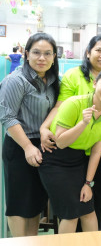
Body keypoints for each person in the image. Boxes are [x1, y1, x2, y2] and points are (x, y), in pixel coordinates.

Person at [39, 35, 101, 230]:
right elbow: (60, 106)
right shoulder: (74, 77)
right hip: (69, 150)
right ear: (88, 52)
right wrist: (44, 128)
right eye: (98, 50)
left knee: (93, 206)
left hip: (95, 152)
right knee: (72, 211)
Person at [0, 33, 60, 237]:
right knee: (19, 201)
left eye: (47, 53)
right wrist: (27, 147)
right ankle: (18, 242)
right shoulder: (16, 80)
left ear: (54, 57)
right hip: (20, 145)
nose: (41, 58)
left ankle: (31, 241)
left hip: (43, 145)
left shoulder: (52, 80)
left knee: (36, 200)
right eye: (36, 52)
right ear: (26, 54)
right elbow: (7, 116)